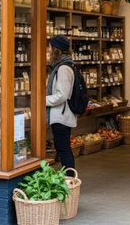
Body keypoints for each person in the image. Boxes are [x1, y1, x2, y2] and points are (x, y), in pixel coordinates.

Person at [46, 34, 76, 177]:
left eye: (50, 46)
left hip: (61, 115)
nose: (48, 49)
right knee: (63, 148)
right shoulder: (63, 66)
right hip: (62, 114)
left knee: (64, 149)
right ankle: (68, 179)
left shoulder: (63, 69)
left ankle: (69, 180)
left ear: (55, 48)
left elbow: (62, 95)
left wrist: (43, 100)